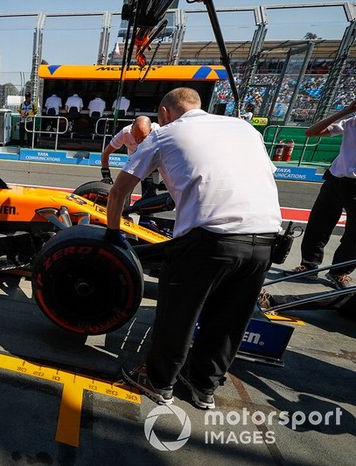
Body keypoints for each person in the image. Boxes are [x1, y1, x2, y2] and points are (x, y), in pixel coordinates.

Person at [106, 87, 282, 409]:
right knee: (230, 321)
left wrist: (114, 235)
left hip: (209, 240)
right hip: (265, 237)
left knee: (179, 315)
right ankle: (204, 388)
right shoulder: (245, 128)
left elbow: (118, 192)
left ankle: (158, 382)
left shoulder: (165, 134)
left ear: (164, 115)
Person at [286, 100, 356, 290]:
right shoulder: (351, 121)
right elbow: (311, 132)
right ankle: (309, 265)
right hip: (336, 178)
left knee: (354, 234)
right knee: (319, 223)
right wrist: (346, 110)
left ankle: (339, 272)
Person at [99, 116, 159, 183]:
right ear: (131, 129)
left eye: (143, 137)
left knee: (149, 190)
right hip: (134, 161)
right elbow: (105, 154)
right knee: (120, 187)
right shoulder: (125, 133)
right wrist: (106, 176)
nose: (138, 141)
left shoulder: (159, 131)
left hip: (152, 162)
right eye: (135, 136)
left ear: (150, 131)